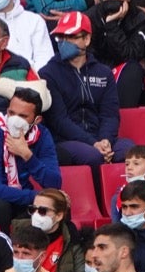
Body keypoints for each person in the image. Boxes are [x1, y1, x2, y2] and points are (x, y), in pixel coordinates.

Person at [43, 10, 126, 187]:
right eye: (61, 37)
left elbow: (110, 115)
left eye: (71, 37)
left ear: (87, 39)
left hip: (100, 138)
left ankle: (126, 203)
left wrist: (105, 141)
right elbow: (59, 120)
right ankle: (98, 202)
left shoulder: (103, 73)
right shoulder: (48, 73)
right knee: (92, 156)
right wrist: (93, 143)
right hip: (65, 141)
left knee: (131, 152)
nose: (64, 42)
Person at [0, 86, 61, 229]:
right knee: (1, 206)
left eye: (23, 116)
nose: (14, 120)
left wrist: (27, 155)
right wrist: (37, 197)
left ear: (36, 120)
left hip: (21, 197)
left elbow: (54, 183)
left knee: (58, 206)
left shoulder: (42, 135)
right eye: (11, 113)